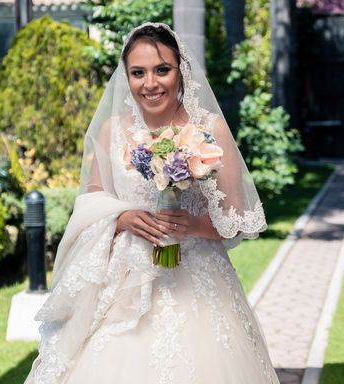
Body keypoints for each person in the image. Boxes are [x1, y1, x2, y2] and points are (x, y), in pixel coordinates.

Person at [24, 22, 279, 384]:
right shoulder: (113, 129)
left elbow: (238, 219)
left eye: (162, 70)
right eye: (138, 73)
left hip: (198, 282)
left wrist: (190, 225)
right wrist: (122, 216)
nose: (151, 83)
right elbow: (92, 201)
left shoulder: (210, 127)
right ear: (126, 77)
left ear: (181, 71)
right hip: (125, 282)